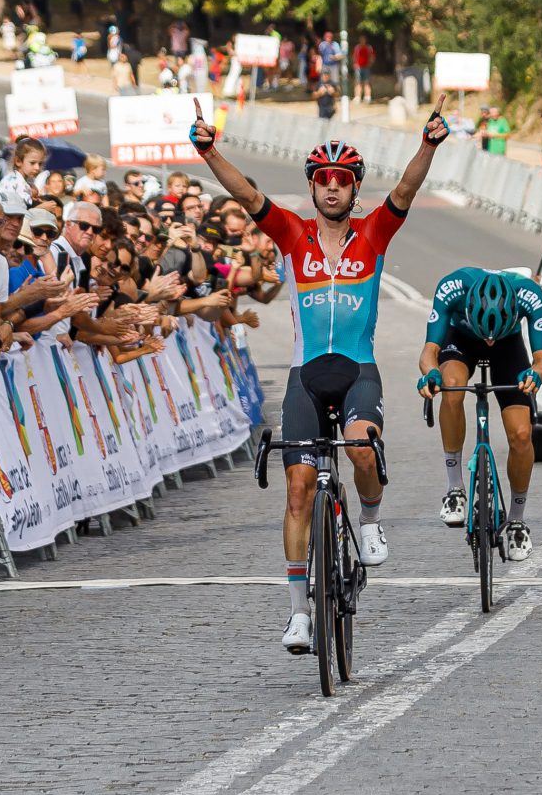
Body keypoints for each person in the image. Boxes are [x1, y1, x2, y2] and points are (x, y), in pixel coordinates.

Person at [190, 109, 450, 658]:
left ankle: (372, 522)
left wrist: (427, 144)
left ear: (354, 189)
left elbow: (405, 187)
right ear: (312, 187)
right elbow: (246, 195)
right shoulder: (291, 234)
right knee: (297, 488)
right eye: (323, 179)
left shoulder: (375, 232)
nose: (333, 186)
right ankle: (299, 614)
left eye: (343, 179)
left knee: (359, 448)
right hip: (305, 377)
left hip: (357, 370)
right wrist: (209, 152)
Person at [414, 267, 542, 562]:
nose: (488, 341)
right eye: (485, 337)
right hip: (462, 338)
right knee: (451, 388)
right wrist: (431, 374)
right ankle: (455, 489)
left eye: (493, 337)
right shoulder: (451, 288)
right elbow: (428, 352)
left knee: (522, 434)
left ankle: (517, 519)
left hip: (510, 345)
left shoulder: (529, 294)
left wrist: (535, 375)